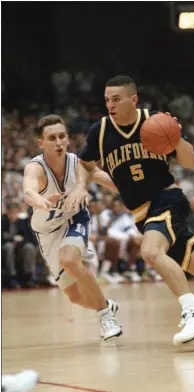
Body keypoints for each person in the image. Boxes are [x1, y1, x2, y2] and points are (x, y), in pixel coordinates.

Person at [64, 75, 194, 345]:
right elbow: (86, 163)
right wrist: (82, 185)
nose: (110, 104)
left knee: (150, 252)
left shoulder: (154, 121)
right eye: (106, 99)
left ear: (133, 99)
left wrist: (177, 139)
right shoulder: (99, 131)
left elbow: (191, 162)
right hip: (141, 214)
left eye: (116, 99)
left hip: (166, 200)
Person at [23, 114, 122, 341]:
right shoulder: (35, 168)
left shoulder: (77, 163)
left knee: (69, 261)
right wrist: (41, 201)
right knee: (75, 297)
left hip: (75, 219)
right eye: (51, 138)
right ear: (41, 143)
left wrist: (135, 192)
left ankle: (105, 315)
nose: (58, 142)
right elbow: (28, 191)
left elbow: (104, 178)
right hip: (47, 232)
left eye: (62, 136)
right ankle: (105, 304)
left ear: (67, 139)